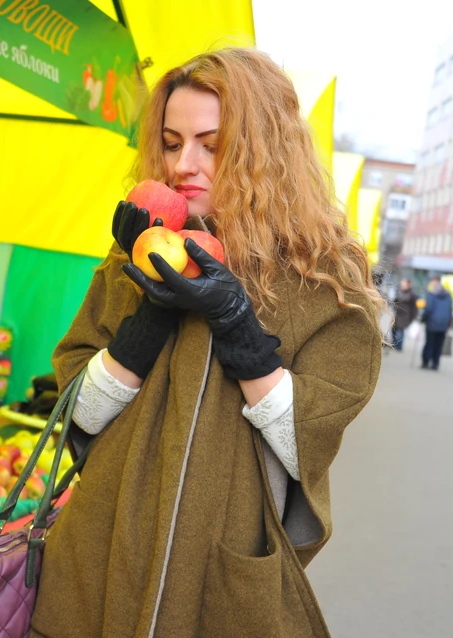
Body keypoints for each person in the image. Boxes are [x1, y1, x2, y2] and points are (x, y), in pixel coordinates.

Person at [31, 49, 385, 638]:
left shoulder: (324, 281)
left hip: (215, 576)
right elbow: (77, 419)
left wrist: (240, 329)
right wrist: (146, 318)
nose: (183, 165)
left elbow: (308, 445)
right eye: (172, 143)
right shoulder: (135, 253)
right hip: (95, 558)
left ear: (265, 153)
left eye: (211, 145)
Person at [419, 277, 453, 370]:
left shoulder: (432, 295)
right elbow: (450, 311)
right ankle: (435, 364)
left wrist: (422, 319)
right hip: (443, 324)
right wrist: (449, 323)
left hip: (432, 323)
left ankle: (426, 362)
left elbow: (428, 309)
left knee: (429, 343)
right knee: (438, 345)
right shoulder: (448, 296)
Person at [391, 278, 418, 351]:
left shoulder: (412, 294)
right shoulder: (399, 291)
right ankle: (393, 343)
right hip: (397, 314)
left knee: (400, 330)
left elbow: (414, 307)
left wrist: (414, 317)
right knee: (393, 329)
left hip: (405, 315)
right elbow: (395, 301)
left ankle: (399, 346)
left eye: (404, 284)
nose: (403, 285)